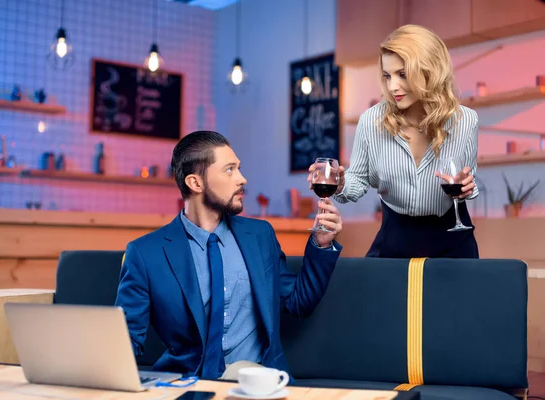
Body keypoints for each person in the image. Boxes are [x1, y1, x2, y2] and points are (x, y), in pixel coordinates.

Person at [116, 130, 343, 380]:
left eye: (239, 168)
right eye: (229, 170)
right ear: (196, 183)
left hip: (257, 383)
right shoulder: (146, 253)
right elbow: (124, 341)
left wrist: (321, 244)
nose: (242, 179)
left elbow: (298, 301)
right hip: (187, 385)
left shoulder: (259, 236)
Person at [309, 24, 479, 258]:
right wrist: (340, 184)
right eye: (387, 76)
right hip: (395, 240)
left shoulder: (466, 121)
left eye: (402, 74)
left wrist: (467, 188)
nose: (392, 86)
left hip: (453, 240)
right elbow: (357, 183)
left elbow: (468, 181)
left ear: (430, 70)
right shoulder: (371, 121)